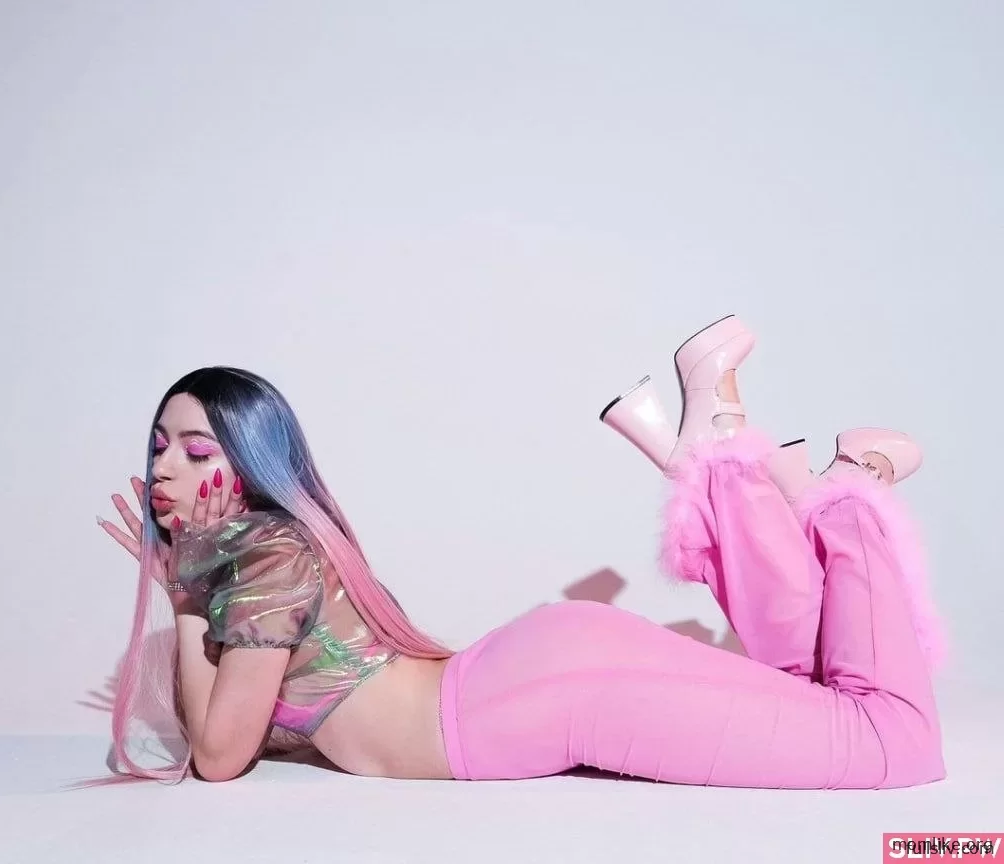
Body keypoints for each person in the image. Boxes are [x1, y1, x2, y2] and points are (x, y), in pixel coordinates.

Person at [99, 315, 946, 788]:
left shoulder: (264, 556)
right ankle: (760, 461)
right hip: (532, 682)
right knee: (796, 688)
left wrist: (184, 588)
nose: (166, 467)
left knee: (889, 742)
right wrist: (191, 583)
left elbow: (219, 758)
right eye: (160, 445)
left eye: (198, 451)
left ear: (252, 461)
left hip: (542, 695)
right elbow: (241, 734)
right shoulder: (270, 551)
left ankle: (833, 494)